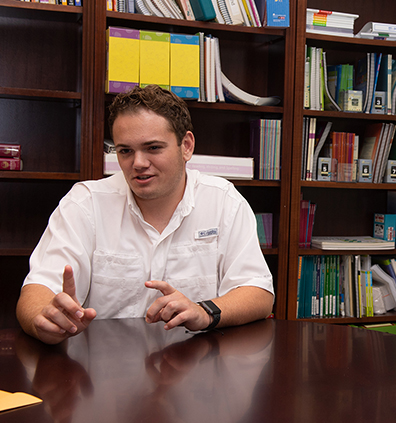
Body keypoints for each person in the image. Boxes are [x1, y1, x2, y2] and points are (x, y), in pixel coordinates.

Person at [16, 84, 275, 345]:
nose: (138, 163)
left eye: (152, 148)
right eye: (125, 150)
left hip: (197, 369)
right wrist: (45, 320)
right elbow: (36, 291)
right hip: (106, 373)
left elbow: (258, 292)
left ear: (186, 146)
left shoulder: (223, 201)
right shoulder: (85, 203)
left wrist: (204, 311)